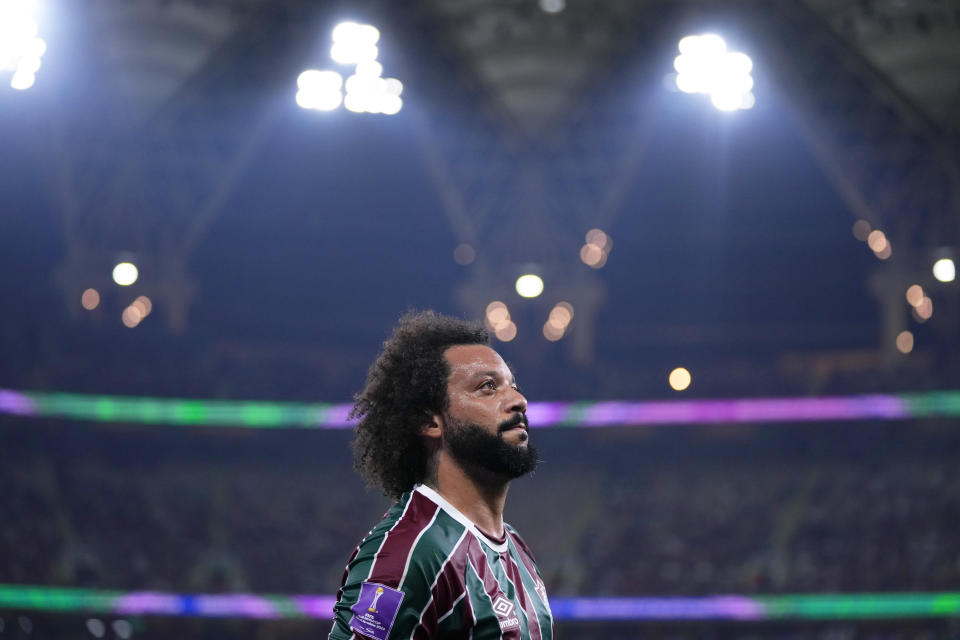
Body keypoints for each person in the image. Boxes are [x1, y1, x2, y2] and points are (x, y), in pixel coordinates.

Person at [329, 310, 553, 640]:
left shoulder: (515, 546)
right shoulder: (407, 554)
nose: (519, 400)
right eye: (488, 387)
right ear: (431, 422)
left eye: (514, 386)